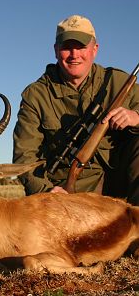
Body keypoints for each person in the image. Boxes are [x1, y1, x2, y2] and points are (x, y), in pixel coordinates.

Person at [13, 15, 139, 205]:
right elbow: (25, 157)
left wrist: (136, 118)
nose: (74, 55)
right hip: (69, 191)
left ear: (94, 49)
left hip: (121, 181)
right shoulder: (35, 95)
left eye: (80, 47)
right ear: (56, 50)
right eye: (66, 47)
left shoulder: (118, 82)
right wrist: (47, 192)